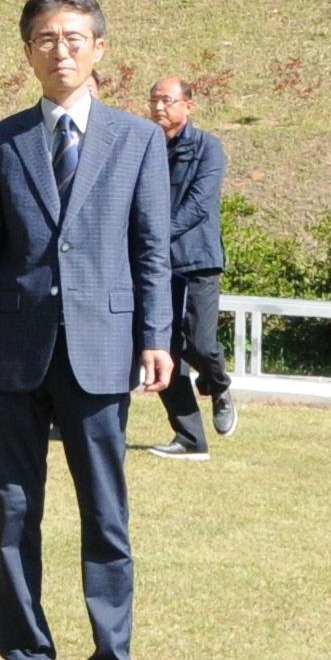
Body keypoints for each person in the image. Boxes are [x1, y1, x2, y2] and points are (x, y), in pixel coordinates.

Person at [0, 0, 176, 660]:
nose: (61, 49)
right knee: (15, 512)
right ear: (28, 52)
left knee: (106, 515)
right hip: (14, 351)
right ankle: (26, 655)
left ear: (99, 49)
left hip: (103, 349)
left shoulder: (137, 141)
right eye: (46, 38)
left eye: (75, 38)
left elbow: (152, 250)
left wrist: (157, 337)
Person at [145, 74, 230, 455]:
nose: (159, 107)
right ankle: (191, 439)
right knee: (162, 349)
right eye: (154, 100)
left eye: (167, 100)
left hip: (196, 260)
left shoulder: (208, 148)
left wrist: (157, 237)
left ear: (188, 106)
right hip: (154, 266)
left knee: (200, 343)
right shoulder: (144, 146)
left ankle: (219, 383)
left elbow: (198, 205)